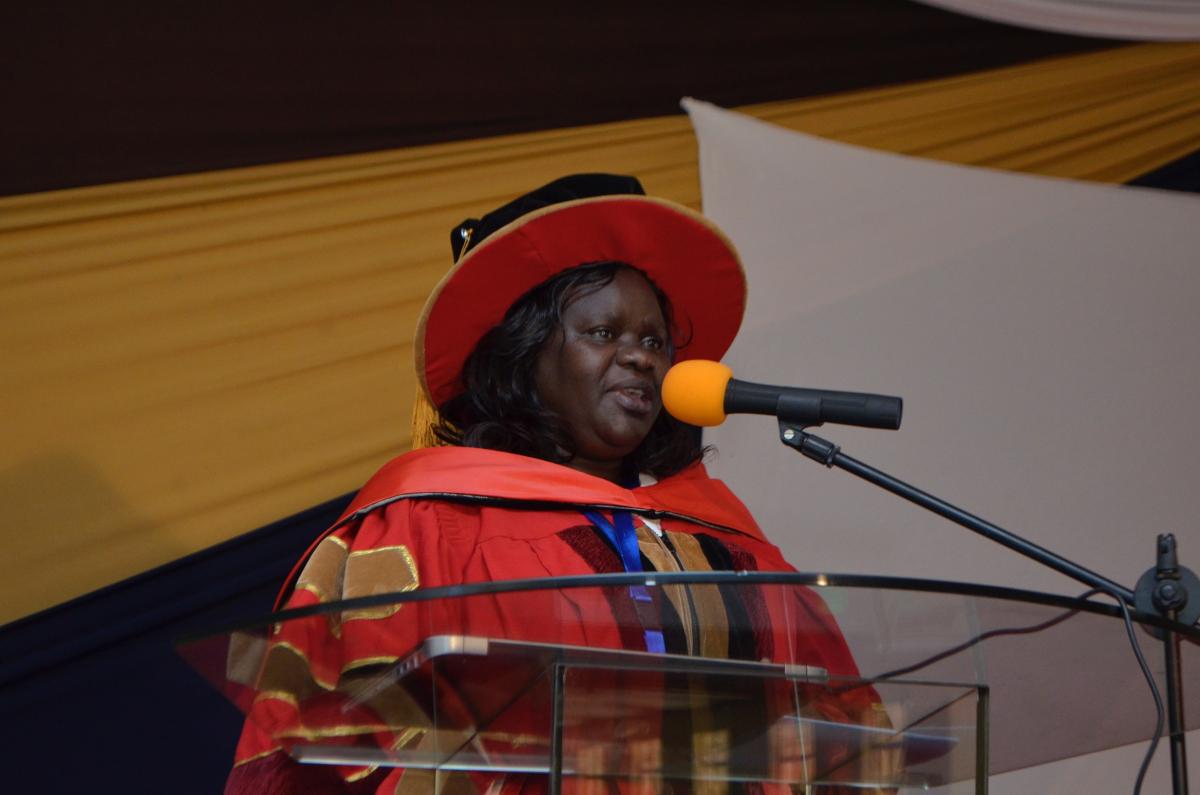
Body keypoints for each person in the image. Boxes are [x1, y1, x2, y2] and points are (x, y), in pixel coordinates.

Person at [225, 175, 890, 794]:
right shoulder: (426, 523)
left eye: (655, 340)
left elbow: (849, 733)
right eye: (603, 332)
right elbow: (321, 752)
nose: (640, 355)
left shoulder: (725, 540)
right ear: (526, 354)